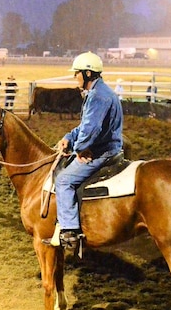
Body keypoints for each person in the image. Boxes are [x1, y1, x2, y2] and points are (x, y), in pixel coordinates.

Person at [51, 51, 124, 254]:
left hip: (102, 152)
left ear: (88, 74)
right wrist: (69, 137)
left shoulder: (97, 97)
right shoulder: (101, 93)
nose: (75, 77)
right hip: (109, 147)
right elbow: (85, 126)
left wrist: (78, 149)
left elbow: (90, 131)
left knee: (64, 180)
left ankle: (69, 231)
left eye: (77, 73)